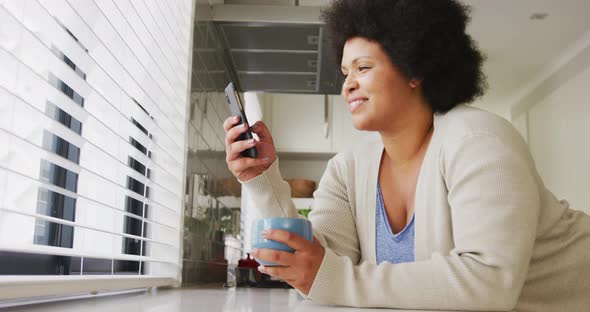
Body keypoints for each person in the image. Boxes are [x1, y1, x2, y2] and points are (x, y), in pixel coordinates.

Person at [223, 0, 590, 310]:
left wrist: (330, 277)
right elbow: (318, 265)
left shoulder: (478, 140)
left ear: (414, 69)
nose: (348, 84)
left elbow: (489, 282)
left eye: (363, 68)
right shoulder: (347, 169)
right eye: (345, 72)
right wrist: (261, 177)